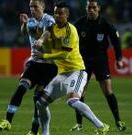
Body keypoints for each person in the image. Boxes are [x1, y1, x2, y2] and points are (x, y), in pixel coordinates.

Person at [33, 1, 109, 135]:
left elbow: (65, 54)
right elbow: (46, 34)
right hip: (62, 74)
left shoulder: (70, 30)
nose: (57, 15)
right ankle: (45, 133)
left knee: (72, 101)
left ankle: (102, 126)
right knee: (40, 103)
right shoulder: (51, 28)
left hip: (77, 71)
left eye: (60, 13)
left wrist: (44, 55)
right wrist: (40, 41)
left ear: (66, 15)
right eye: (55, 13)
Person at [0, 0, 58, 135]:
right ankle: (7, 121)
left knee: (38, 99)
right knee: (21, 87)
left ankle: (34, 131)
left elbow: (48, 33)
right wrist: (23, 24)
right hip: (34, 62)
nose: (32, 9)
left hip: (50, 65)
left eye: (35, 6)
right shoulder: (30, 21)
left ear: (43, 7)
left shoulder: (49, 20)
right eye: (30, 6)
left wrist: (41, 40)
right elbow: (25, 32)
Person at [71, 0, 126, 132]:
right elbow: (71, 39)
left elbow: (116, 42)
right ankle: (79, 124)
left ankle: (118, 120)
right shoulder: (80, 23)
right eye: (89, 7)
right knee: (80, 92)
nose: (91, 10)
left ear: (98, 8)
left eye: (93, 7)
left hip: (100, 60)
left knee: (107, 90)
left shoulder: (105, 24)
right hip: (83, 61)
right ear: (86, 8)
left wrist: (119, 59)